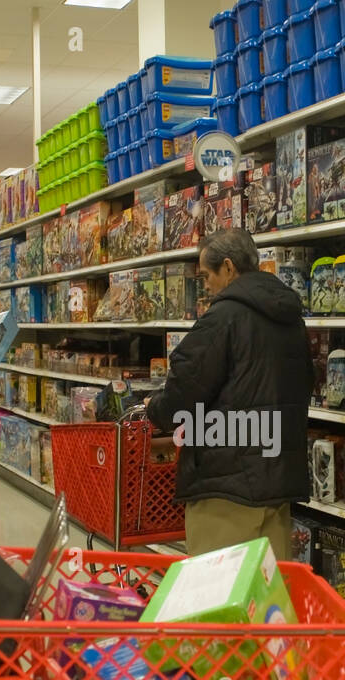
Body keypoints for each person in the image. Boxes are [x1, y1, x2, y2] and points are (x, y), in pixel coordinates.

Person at [146, 229, 312, 558]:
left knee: (217, 599)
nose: (205, 285)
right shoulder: (290, 319)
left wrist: (155, 408)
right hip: (277, 483)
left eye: (207, 275)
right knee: (266, 598)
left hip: (226, 488)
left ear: (228, 268)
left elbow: (183, 397)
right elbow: (306, 382)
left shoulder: (222, 319)